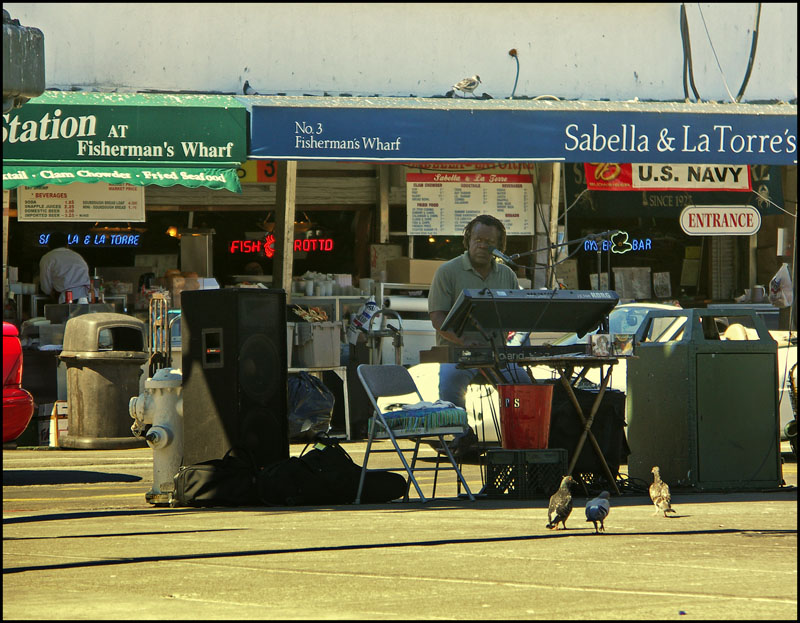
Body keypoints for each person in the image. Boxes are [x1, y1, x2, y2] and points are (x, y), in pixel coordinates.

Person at [428, 214, 531, 411]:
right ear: (468, 241)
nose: (483, 246)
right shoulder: (447, 272)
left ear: (499, 246)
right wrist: (463, 341)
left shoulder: (507, 274)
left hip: (497, 355)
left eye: (490, 242)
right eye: (478, 240)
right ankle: (462, 438)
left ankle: (518, 435)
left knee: (523, 385)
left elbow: (515, 313)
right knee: (451, 385)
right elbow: (437, 317)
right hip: (457, 355)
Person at [38, 231, 91, 303]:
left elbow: (46, 288)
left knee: (68, 314)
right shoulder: (77, 256)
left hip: (68, 298)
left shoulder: (48, 258)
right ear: (67, 244)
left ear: (49, 245)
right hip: (86, 296)